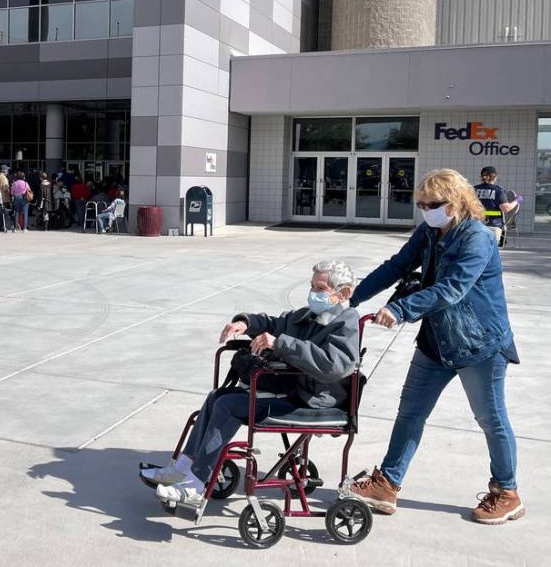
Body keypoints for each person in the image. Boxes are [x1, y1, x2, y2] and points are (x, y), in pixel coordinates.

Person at [347, 169, 523, 524]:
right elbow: (397, 266)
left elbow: (452, 289)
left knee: (491, 419)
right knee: (410, 412)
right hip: (436, 342)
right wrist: (351, 298)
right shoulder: (429, 231)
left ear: (457, 201)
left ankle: (507, 492)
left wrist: (399, 308)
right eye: (422, 204)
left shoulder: (478, 238)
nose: (427, 210)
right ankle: (387, 483)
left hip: (479, 345)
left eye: (434, 204)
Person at [145, 261, 360, 508]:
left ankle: (195, 483)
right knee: (218, 396)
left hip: (313, 401)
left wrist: (280, 344)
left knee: (229, 405)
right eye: (312, 286)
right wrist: (246, 323)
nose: (313, 293)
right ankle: (183, 468)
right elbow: (274, 323)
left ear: (344, 293)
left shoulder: (345, 323)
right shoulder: (311, 316)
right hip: (294, 390)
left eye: (320, 288)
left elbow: (335, 365)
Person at [473, 166, 518, 246]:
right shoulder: (498, 191)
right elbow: (506, 208)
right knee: (491, 252)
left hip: (475, 226)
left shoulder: (473, 190)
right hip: (493, 226)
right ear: (495, 177)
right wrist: (517, 200)